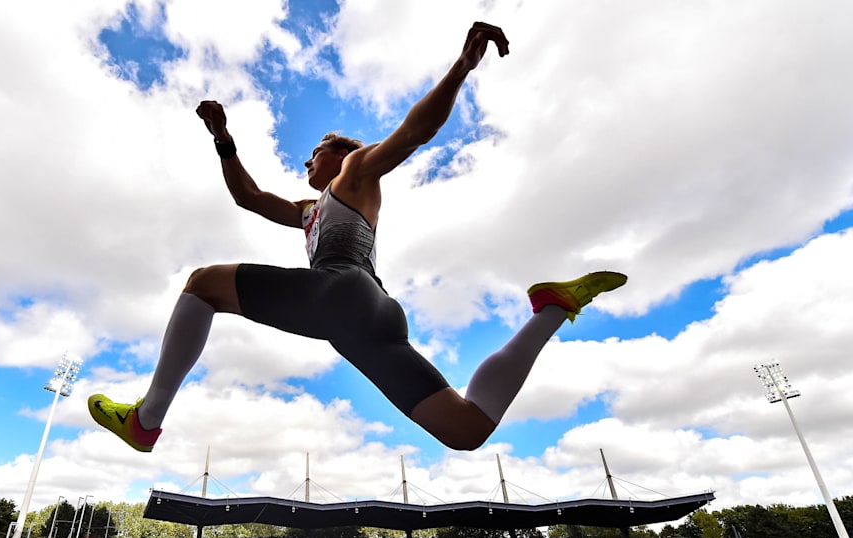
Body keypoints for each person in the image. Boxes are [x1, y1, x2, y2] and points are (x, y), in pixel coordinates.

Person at [88, 22, 626, 452]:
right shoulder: (309, 210)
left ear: (341, 155)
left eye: (315, 151)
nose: (306, 160)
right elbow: (249, 198)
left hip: (339, 291)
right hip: (372, 319)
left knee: (203, 283)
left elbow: (415, 131)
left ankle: (147, 419)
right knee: (466, 430)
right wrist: (225, 142)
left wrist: (461, 68)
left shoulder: (355, 174)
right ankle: (551, 308)